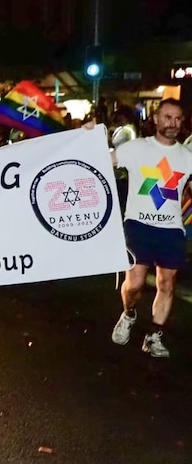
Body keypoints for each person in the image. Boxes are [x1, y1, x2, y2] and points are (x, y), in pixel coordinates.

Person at [103, 98, 192, 358]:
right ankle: (129, 313)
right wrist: (87, 137)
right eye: (167, 117)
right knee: (134, 284)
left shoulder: (187, 157)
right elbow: (102, 160)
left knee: (167, 284)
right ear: (155, 118)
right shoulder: (137, 148)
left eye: (177, 118)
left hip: (171, 230)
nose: (172, 123)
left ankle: (154, 336)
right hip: (138, 225)